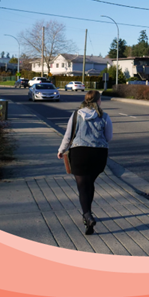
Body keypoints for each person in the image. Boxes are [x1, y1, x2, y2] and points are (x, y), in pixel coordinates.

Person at [57, 91, 113, 235]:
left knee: (83, 186)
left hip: (80, 153)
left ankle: (87, 215)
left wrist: (61, 150)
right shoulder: (104, 116)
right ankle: (88, 214)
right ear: (98, 101)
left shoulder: (76, 115)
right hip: (99, 154)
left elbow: (68, 135)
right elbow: (108, 137)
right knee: (90, 184)